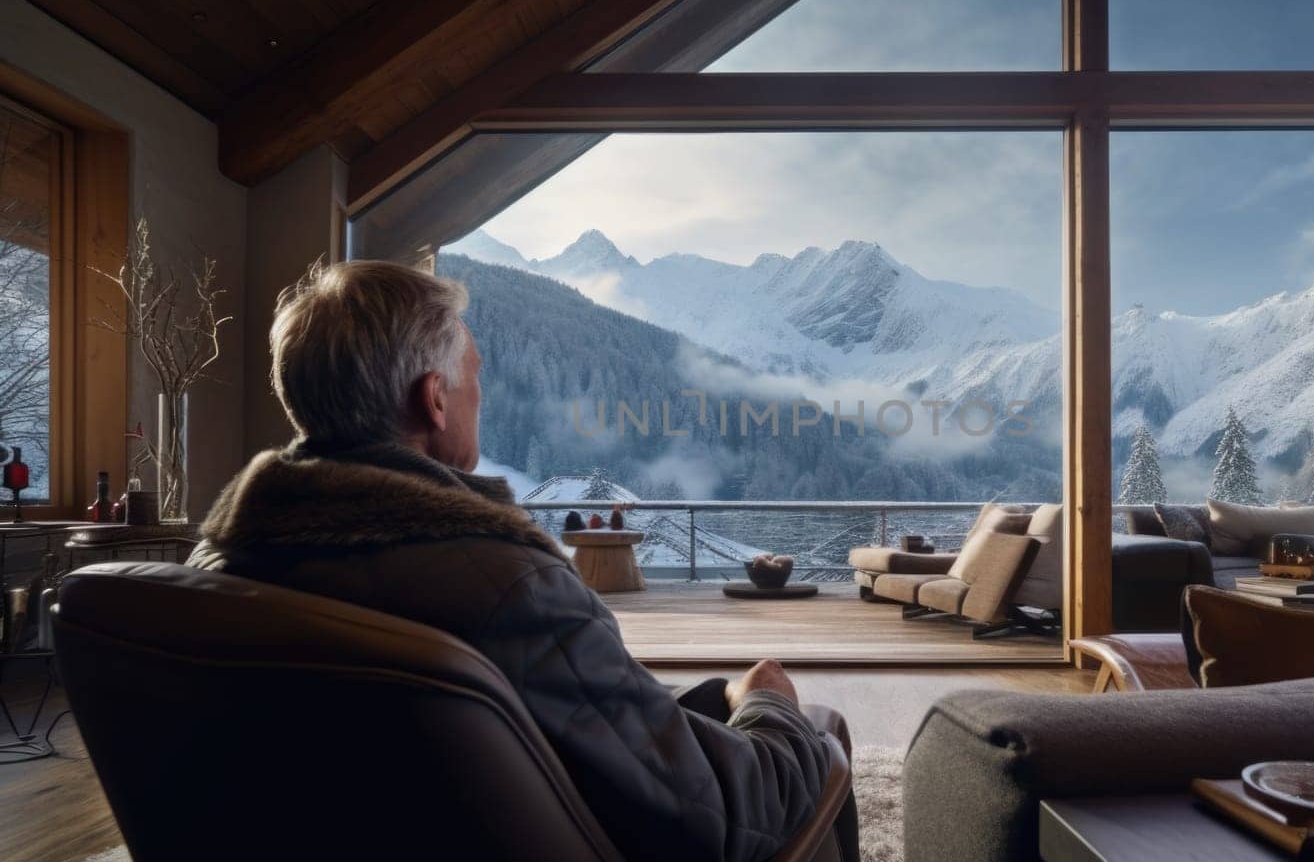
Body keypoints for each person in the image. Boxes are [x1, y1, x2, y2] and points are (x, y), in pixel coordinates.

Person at [189, 261, 855, 862]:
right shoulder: (507, 591)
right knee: (817, 741)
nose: (482, 395)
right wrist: (770, 709)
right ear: (435, 398)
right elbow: (723, 819)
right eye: (474, 376)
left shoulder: (211, 575)